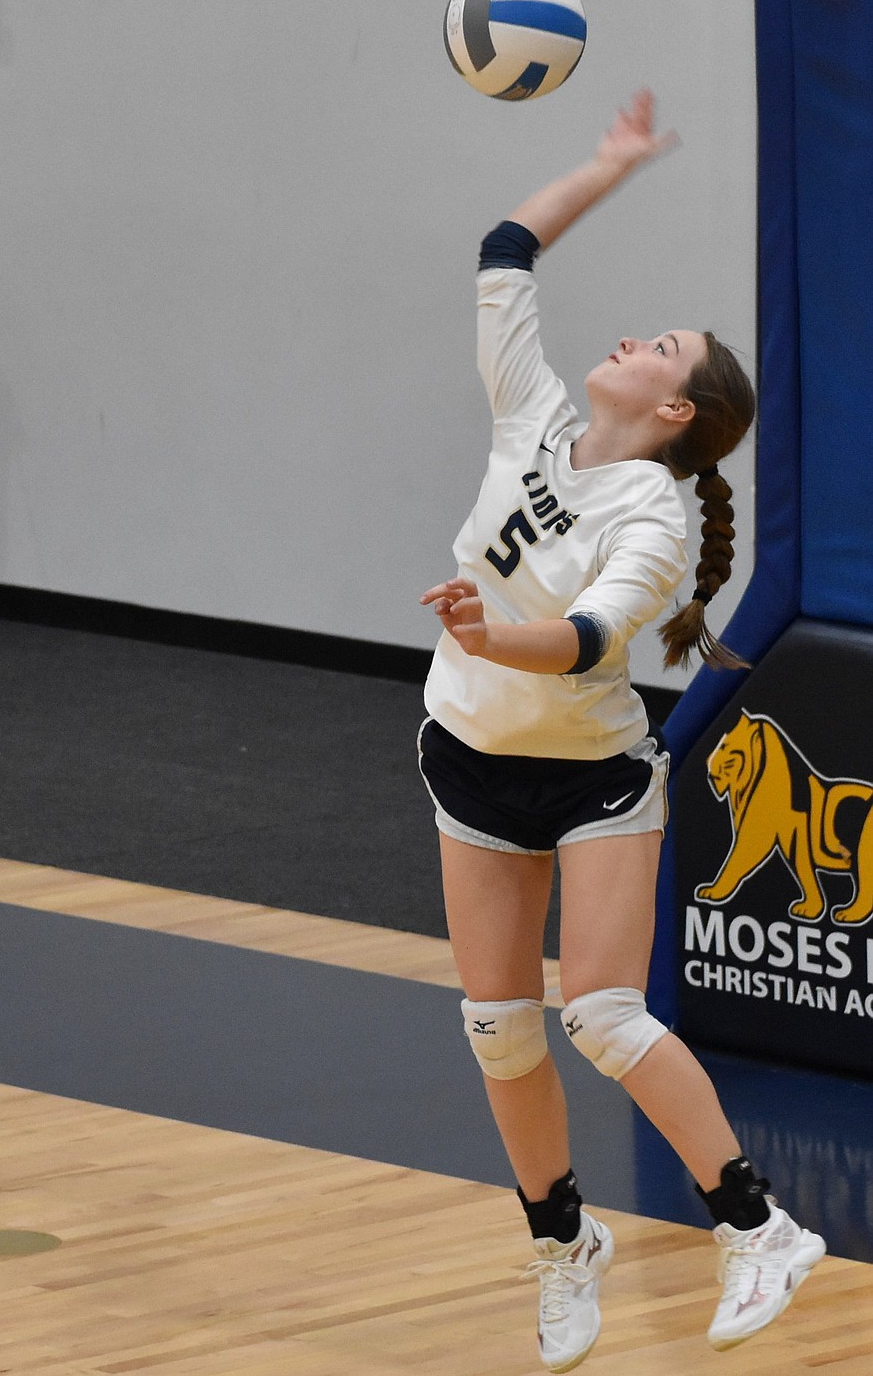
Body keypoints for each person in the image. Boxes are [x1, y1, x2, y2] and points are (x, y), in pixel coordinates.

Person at [417, 90, 825, 1373]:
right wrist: (608, 164)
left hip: (590, 780)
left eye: (666, 347)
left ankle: (758, 1226)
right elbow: (503, 248)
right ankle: (562, 1243)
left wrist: (497, 635)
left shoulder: (649, 516)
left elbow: (593, 643)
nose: (638, 337)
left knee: (602, 1014)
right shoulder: (532, 411)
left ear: (673, 412)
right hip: (469, 754)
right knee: (497, 1027)